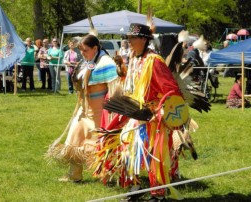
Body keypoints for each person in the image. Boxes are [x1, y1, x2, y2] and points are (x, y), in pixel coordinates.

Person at [92, 23, 190, 201]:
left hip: (153, 116)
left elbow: (171, 89)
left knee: (155, 154)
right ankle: (135, 188)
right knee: (129, 150)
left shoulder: (154, 61)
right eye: (128, 38)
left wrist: (160, 111)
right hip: (136, 113)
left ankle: (158, 195)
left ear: (144, 39)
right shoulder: (134, 57)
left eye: (132, 38)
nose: (128, 41)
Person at [47, 34, 119, 183]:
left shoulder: (106, 63)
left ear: (95, 48)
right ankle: (75, 174)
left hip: (99, 112)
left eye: (85, 50)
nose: (82, 54)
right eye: (81, 51)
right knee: (75, 137)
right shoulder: (87, 61)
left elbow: (115, 90)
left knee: (99, 143)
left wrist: (112, 112)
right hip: (84, 110)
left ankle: (105, 175)